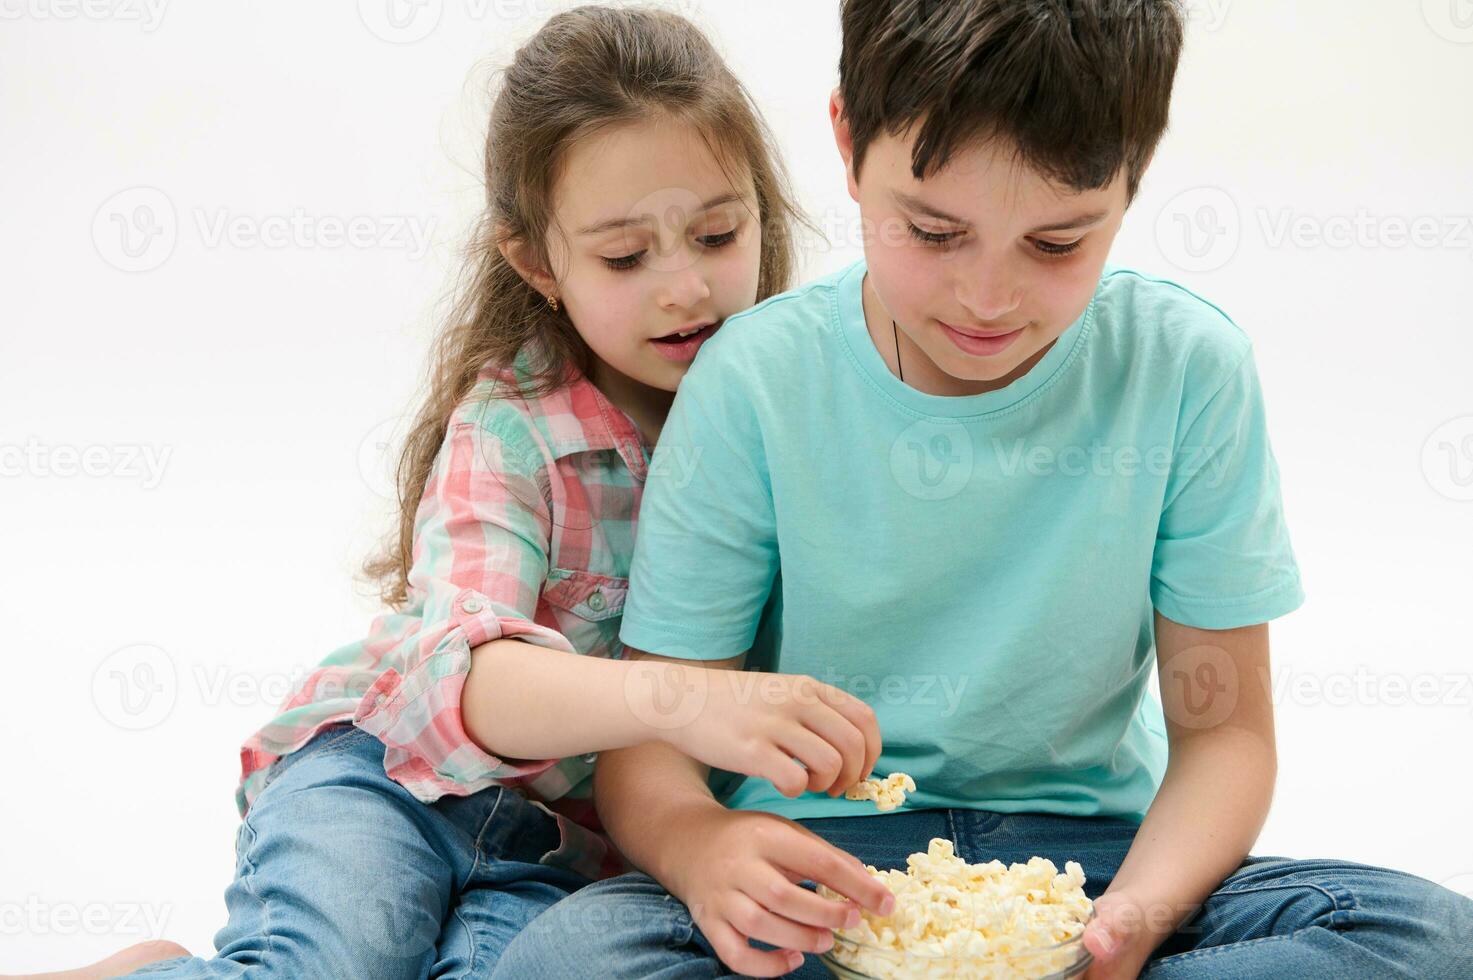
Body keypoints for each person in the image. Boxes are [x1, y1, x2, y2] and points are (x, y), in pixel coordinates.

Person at [490, 1, 1473, 977]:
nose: (988, 297)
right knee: (573, 954)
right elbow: (653, 746)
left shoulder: (1186, 371)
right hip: (820, 874)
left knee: (1424, 934)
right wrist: (705, 849)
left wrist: (1136, 916)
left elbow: (1224, 735)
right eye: (933, 230)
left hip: (1096, 865)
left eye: (1056, 244)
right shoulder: (753, 380)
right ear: (847, 140)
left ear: (1135, 177)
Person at [30, 7, 893, 979]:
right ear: (537, 263)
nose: (685, 285)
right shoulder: (514, 426)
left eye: (717, 232)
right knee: (322, 967)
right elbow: (470, 676)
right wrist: (683, 699)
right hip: (390, 780)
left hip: (557, 846)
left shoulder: (775, 412)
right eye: (624, 255)